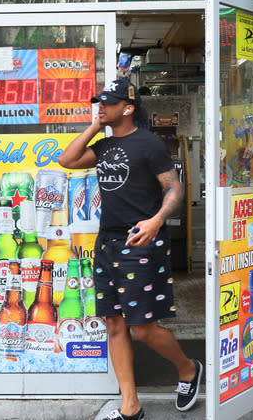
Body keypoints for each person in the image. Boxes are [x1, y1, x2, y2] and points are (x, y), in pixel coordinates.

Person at [58, 77, 202, 420]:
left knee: (143, 328)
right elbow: (68, 160)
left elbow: (174, 189)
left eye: (107, 103)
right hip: (107, 242)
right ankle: (130, 406)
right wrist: (96, 124)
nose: (101, 107)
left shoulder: (148, 144)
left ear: (129, 107)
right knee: (114, 324)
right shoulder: (104, 146)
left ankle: (188, 369)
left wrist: (156, 222)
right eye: (99, 103)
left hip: (141, 241)